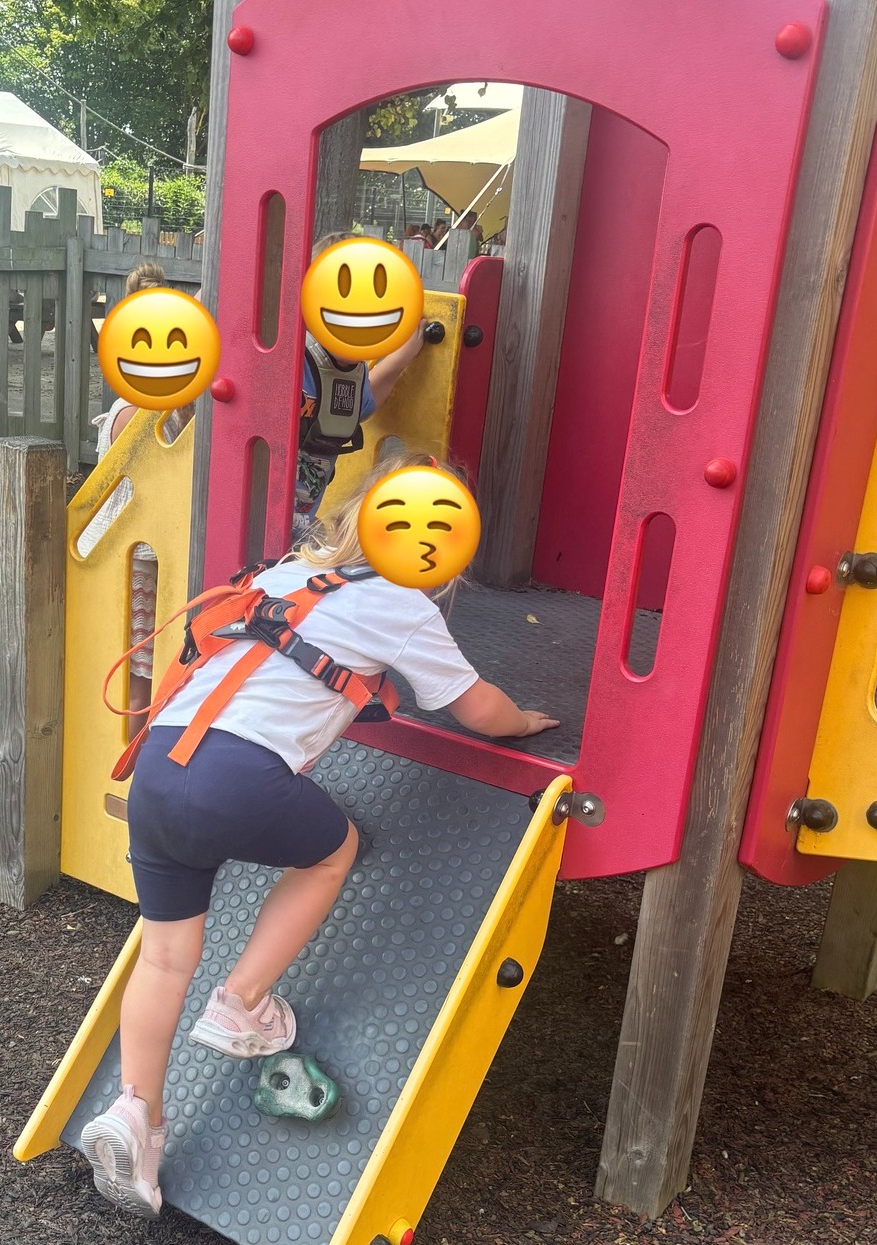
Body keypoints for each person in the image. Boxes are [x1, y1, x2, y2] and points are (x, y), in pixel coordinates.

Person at [79, 451, 559, 1218]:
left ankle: (138, 1114)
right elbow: (478, 710)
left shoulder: (279, 575)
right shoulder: (403, 604)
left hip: (157, 772)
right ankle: (241, 1002)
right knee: (332, 850)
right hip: (236, 775)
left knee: (165, 955)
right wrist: (527, 720)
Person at [79, 261, 194, 729]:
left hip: (149, 550)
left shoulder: (167, 405)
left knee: (150, 657)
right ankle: (132, 749)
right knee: (141, 664)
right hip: (138, 552)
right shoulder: (138, 414)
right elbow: (163, 480)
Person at [293, 232, 425, 542]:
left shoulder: (352, 374)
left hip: (299, 524)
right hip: (258, 515)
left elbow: (366, 402)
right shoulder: (294, 356)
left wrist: (401, 357)